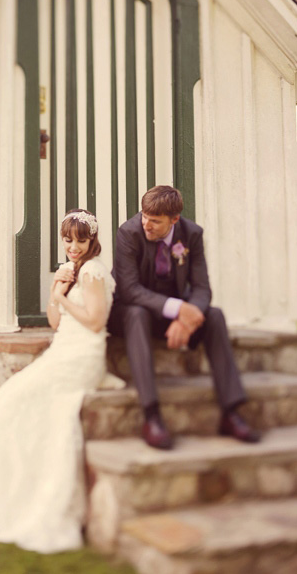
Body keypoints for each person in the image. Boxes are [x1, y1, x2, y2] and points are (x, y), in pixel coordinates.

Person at [0, 209, 116, 553]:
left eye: (80, 240)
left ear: (92, 240)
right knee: (5, 402)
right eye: (68, 239)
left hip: (82, 358)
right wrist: (56, 287)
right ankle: (8, 489)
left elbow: (94, 322)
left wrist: (63, 297)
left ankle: (35, 496)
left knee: (13, 402)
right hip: (63, 350)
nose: (73, 246)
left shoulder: (92, 272)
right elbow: (55, 321)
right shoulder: (72, 270)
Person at [109, 185, 260, 450]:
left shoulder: (192, 235)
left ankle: (231, 411)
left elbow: (202, 288)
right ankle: (151, 415)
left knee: (214, 316)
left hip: (171, 314)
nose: (146, 224)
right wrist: (178, 309)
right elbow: (129, 290)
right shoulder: (128, 233)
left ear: (174, 219)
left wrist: (186, 319)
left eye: (155, 221)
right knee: (136, 313)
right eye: (144, 216)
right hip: (130, 311)